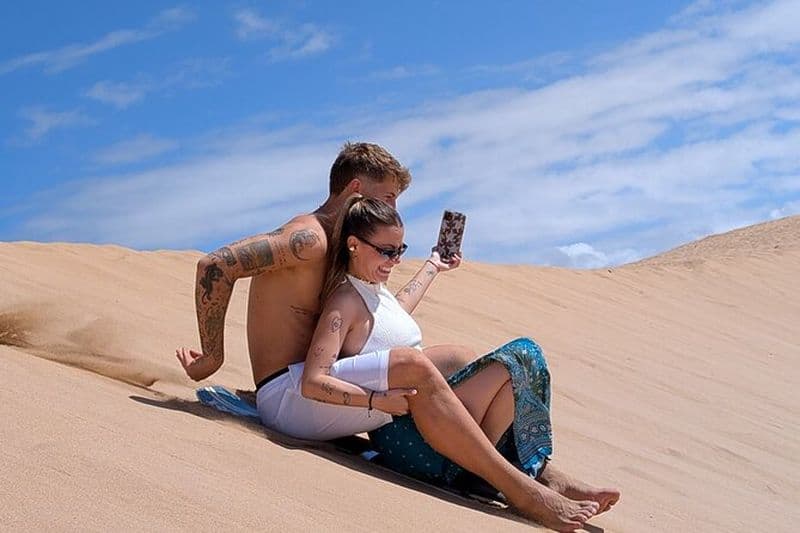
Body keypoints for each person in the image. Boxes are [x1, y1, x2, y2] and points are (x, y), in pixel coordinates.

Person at [176, 143, 618, 531]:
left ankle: (537, 471)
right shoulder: (309, 238)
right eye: (387, 197)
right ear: (354, 190)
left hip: (323, 384)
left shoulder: (344, 249)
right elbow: (215, 265)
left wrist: (431, 268)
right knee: (413, 364)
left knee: (458, 357)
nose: (393, 209)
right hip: (291, 392)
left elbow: (377, 320)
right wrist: (212, 355)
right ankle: (522, 491)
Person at [296, 196, 619, 531]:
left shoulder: (376, 292)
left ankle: (527, 472)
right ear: (354, 245)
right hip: (404, 432)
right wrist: (375, 400)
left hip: (433, 421)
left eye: (401, 250)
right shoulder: (344, 302)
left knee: (522, 364)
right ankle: (518, 485)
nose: (394, 260)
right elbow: (314, 379)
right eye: (387, 251)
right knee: (523, 354)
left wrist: (434, 264)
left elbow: (394, 311)